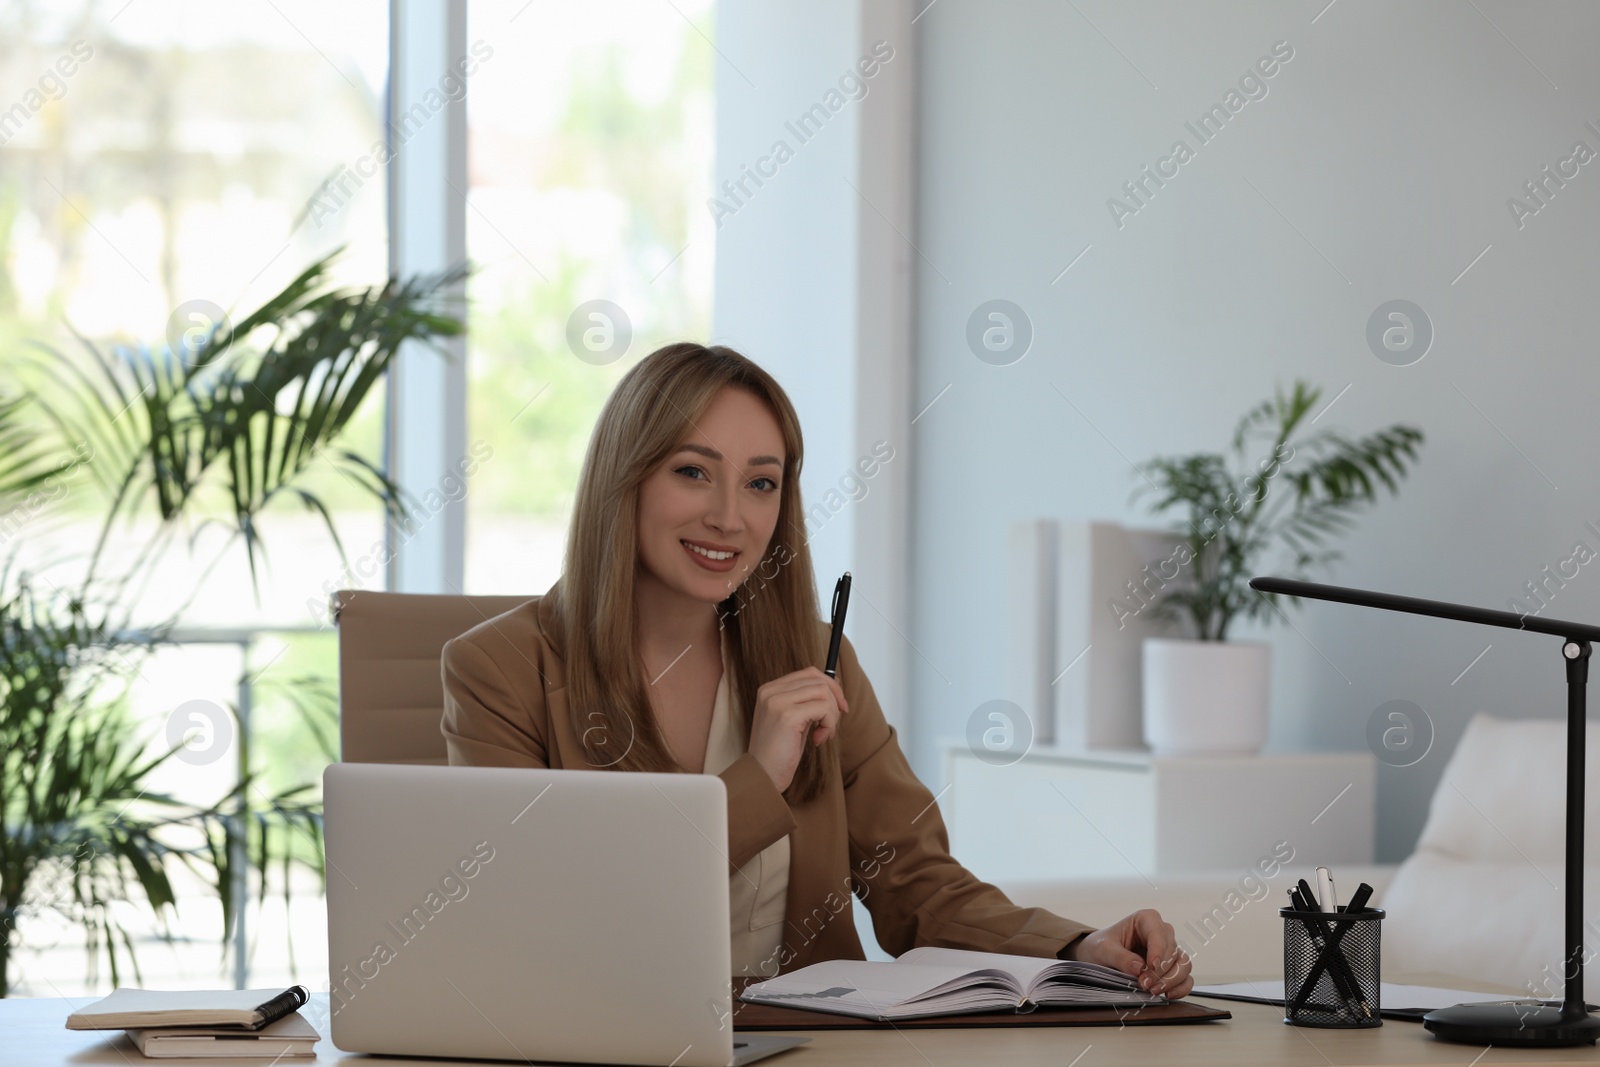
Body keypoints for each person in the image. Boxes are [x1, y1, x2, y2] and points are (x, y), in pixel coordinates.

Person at [440, 341, 1192, 998]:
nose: (730, 517)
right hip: (599, 1041)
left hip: (807, 1043)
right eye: (694, 472)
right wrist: (757, 777)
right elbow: (550, 913)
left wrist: (1076, 947)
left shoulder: (815, 659)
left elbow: (916, 883)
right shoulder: (498, 671)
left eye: (761, 482)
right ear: (623, 479)